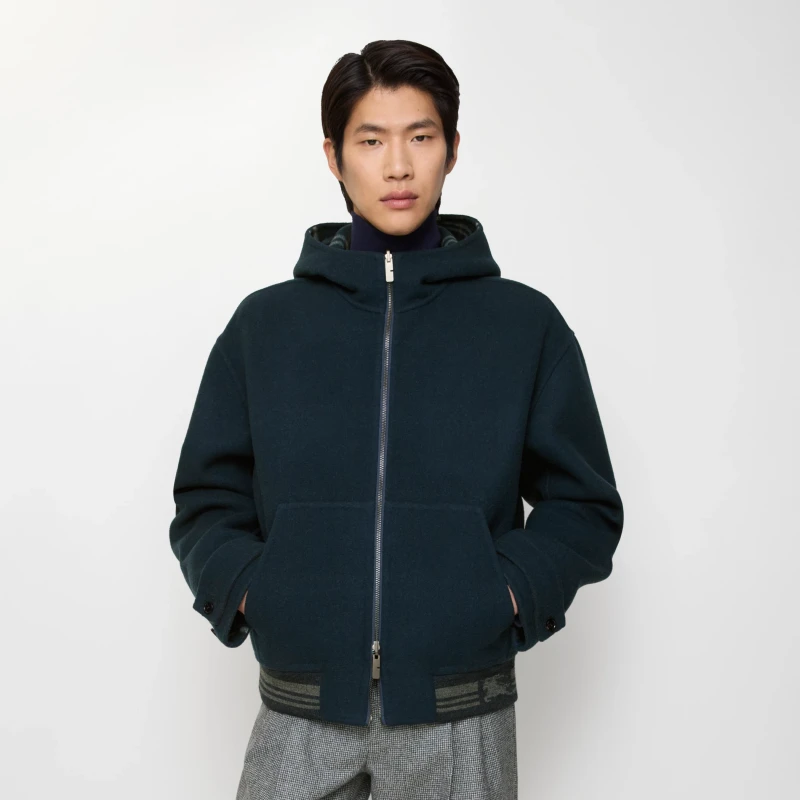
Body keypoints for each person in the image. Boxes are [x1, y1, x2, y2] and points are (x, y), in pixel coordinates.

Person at [169, 38, 624, 800]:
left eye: (421, 136)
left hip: (460, 709)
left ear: (452, 149)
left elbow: (584, 506)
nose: (399, 166)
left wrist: (503, 595)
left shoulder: (524, 326)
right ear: (334, 156)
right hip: (300, 706)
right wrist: (256, 591)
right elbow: (205, 500)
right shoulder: (264, 327)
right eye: (371, 141)